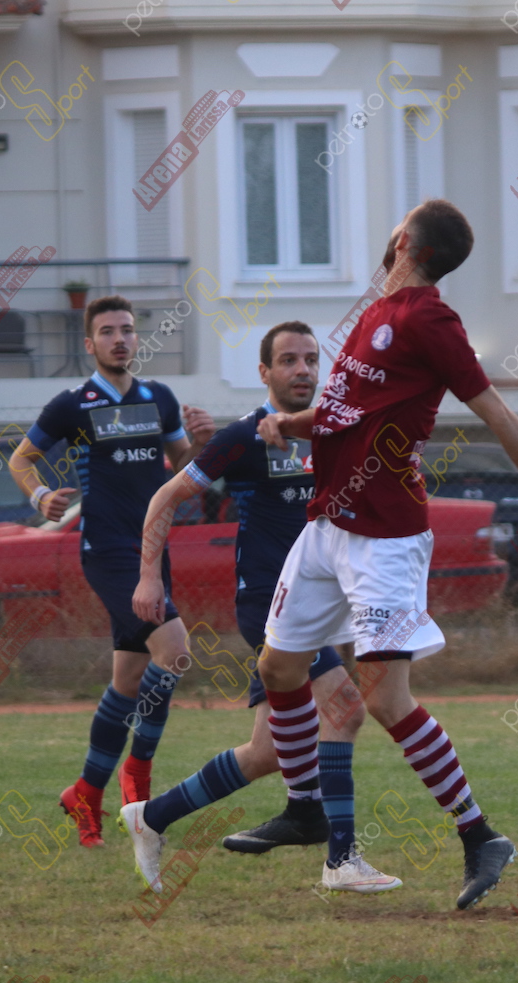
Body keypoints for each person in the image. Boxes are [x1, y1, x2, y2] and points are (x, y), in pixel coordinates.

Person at [256, 199, 518, 909]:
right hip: (328, 524)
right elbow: (345, 414)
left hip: (384, 537)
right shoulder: (377, 314)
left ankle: (480, 836)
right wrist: (290, 422)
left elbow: (494, 410)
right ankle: (305, 809)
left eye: (396, 223)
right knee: (277, 666)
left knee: (384, 697)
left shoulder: (428, 319)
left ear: (405, 241)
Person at [121, 323, 393, 894]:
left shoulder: (329, 431)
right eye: (288, 360)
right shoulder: (244, 437)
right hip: (271, 604)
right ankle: (341, 859)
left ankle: (151, 816)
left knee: (266, 752)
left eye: (311, 359)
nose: (303, 369)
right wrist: (148, 576)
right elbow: (166, 496)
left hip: (317, 606)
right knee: (345, 709)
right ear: (265, 372)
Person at [6, 295, 216, 847]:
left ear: (136, 339)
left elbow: (181, 468)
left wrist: (201, 443)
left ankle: (85, 792)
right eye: (107, 331)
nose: (119, 338)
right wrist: (40, 495)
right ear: (89, 343)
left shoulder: (159, 398)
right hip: (108, 551)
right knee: (175, 650)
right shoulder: (73, 404)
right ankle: (137, 779)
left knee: (127, 681)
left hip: (152, 550)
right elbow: (21, 458)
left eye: (126, 329)